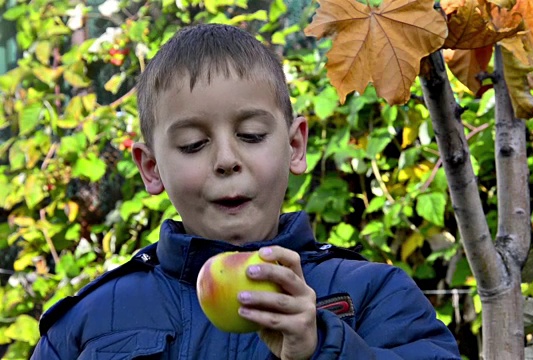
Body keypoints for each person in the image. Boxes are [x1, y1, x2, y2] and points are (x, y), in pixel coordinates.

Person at [31, 24, 461, 359]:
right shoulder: (91, 320)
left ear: (295, 146)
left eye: (251, 135)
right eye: (193, 145)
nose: (225, 159)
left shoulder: (373, 295)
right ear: (151, 167)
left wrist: (323, 348)